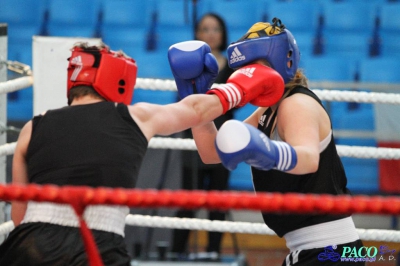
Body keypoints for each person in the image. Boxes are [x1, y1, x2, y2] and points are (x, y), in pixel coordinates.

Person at [0, 39, 282, 265]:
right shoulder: (135, 116)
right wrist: (240, 87)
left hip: (27, 246)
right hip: (96, 245)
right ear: (117, 78)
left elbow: (19, 214)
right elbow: (196, 110)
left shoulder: (32, 128)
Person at [189, 18, 365, 265]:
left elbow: (307, 159)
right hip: (310, 249)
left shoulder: (296, 104)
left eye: (256, 65)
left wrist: (266, 151)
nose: (249, 75)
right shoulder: (268, 110)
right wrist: (196, 98)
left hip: (330, 249)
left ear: (281, 62)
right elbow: (211, 153)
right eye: (246, 68)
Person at [170, 13, 235, 261]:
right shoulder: (189, 64)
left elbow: (236, 102)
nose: (210, 33)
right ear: (197, 33)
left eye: (215, 29)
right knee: (189, 197)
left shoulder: (232, 66)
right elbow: (183, 99)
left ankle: (214, 253)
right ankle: (176, 252)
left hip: (223, 137)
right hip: (192, 136)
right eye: (205, 29)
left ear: (223, 34)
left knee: (218, 198)